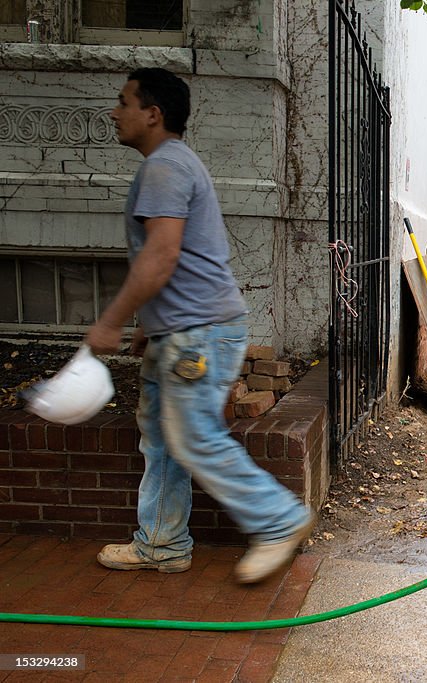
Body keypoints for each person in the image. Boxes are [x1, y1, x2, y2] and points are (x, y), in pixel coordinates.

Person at [86, 68, 313, 584]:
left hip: (199, 333)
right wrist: (152, 323)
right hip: (184, 330)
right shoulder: (171, 164)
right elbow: (177, 258)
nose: (114, 112)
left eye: (123, 102)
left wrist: (112, 322)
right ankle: (162, 544)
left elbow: (161, 256)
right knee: (166, 440)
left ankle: (278, 521)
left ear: (153, 113)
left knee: (194, 439)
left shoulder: (164, 168)